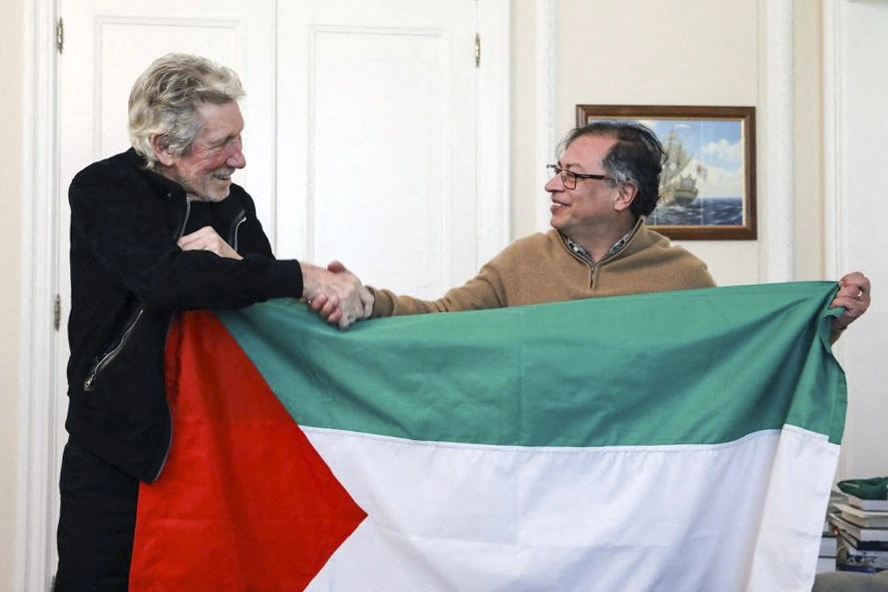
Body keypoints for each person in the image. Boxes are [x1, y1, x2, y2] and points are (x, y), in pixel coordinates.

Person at [56, 53, 371, 591]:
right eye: (222, 143)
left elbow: (258, 303)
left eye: (239, 138)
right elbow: (165, 280)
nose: (240, 159)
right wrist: (302, 275)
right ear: (162, 147)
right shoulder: (103, 190)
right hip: (118, 449)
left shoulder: (235, 204)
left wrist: (246, 266)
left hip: (217, 448)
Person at [311, 120, 870, 334]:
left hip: (635, 474)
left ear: (623, 193)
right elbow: (440, 320)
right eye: (557, 172)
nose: (554, 186)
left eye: (573, 176)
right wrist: (368, 301)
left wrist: (829, 320)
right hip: (542, 461)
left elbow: (738, 356)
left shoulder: (682, 275)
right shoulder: (520, 261)